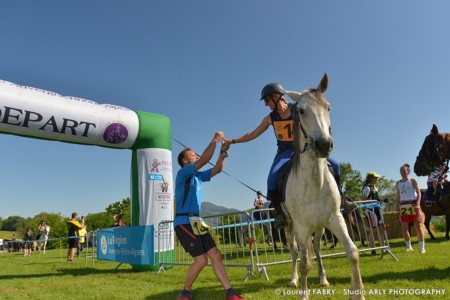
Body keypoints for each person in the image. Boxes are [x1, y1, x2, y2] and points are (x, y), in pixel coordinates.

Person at [174, 131, 244, 300]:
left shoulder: (197, 176)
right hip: (184, 222)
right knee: (201, 260)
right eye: (192, 154)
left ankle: (230, 293)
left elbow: (217, 169)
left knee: (216, 255)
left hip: (196, 221)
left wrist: (223, 152)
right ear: (185, 161)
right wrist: (215, 140)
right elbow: (204, 160)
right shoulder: (183, 173)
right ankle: (185, 293)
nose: (196, 155)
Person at [396, 163, 425, 253]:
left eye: (404, 170)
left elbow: (418, 193)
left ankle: (422, 248)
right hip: (404, 206)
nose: (402, 172)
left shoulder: (412, 180)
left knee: (418, 227)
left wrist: (418, 203)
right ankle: (408, 247)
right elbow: (398, 195)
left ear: (408, 171)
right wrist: (397, 205)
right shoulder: (398, 183)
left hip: (413, 204)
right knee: (404, 229)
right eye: (401, 171)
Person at [361, 171, 387, 254]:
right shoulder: (367, 188)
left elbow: (375, 199)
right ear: (371, 178)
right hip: (370, 211)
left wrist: (382, 200)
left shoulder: (375, 187)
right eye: (376, 177)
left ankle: (383, 248)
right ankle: (373, 249)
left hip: (377, 209)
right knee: (374, 229)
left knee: (381, 229)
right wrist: (372, 203)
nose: (377, 179)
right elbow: (364, 200)